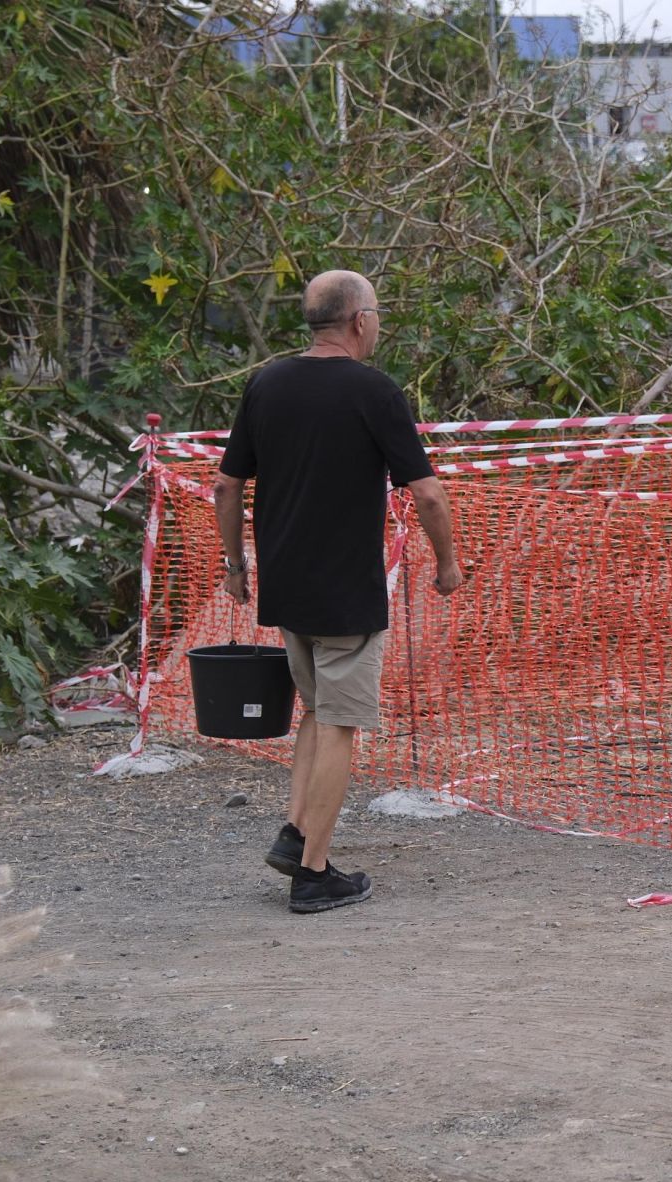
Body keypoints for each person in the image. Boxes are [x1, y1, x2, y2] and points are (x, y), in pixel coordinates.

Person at [213, 270, 462, 913]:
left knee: (318, 712)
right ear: (358, 321)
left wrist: (236, 563)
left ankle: (295, 835)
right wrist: (448, 563)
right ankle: (315, 875)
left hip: (286, 582)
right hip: (346, 588)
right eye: (377, 313)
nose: (378, 324)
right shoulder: (374, 391)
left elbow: (225, 485)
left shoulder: (265, 383)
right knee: (343, 722)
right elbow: (428, 492)